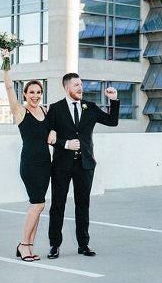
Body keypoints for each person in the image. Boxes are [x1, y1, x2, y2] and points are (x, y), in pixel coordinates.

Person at [46, 73, 119, 259]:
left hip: (85, 165)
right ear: (66, 87)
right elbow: (48, 137)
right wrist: (65, 144)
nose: (80, 88)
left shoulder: (90, 107)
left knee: (83, 205)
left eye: (81, 85)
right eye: (76, 85)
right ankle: (54, 245)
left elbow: (112, 121)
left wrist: (114, 100)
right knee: (57, 205)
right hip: (62, 165)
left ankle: (83, 244)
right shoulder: (55, 109)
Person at [1, 49, 51, 262]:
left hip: (45, 163)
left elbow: (53, 131)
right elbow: (9, 87)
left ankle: (30, 245)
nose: (35, 96)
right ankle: (23, 244)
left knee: (39, 205)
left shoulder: (46, 111)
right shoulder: (21, 112)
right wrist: (6, 62)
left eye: (38, 92)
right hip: (30, 164)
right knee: (37, 204)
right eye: (31, 92)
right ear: (25, 94)